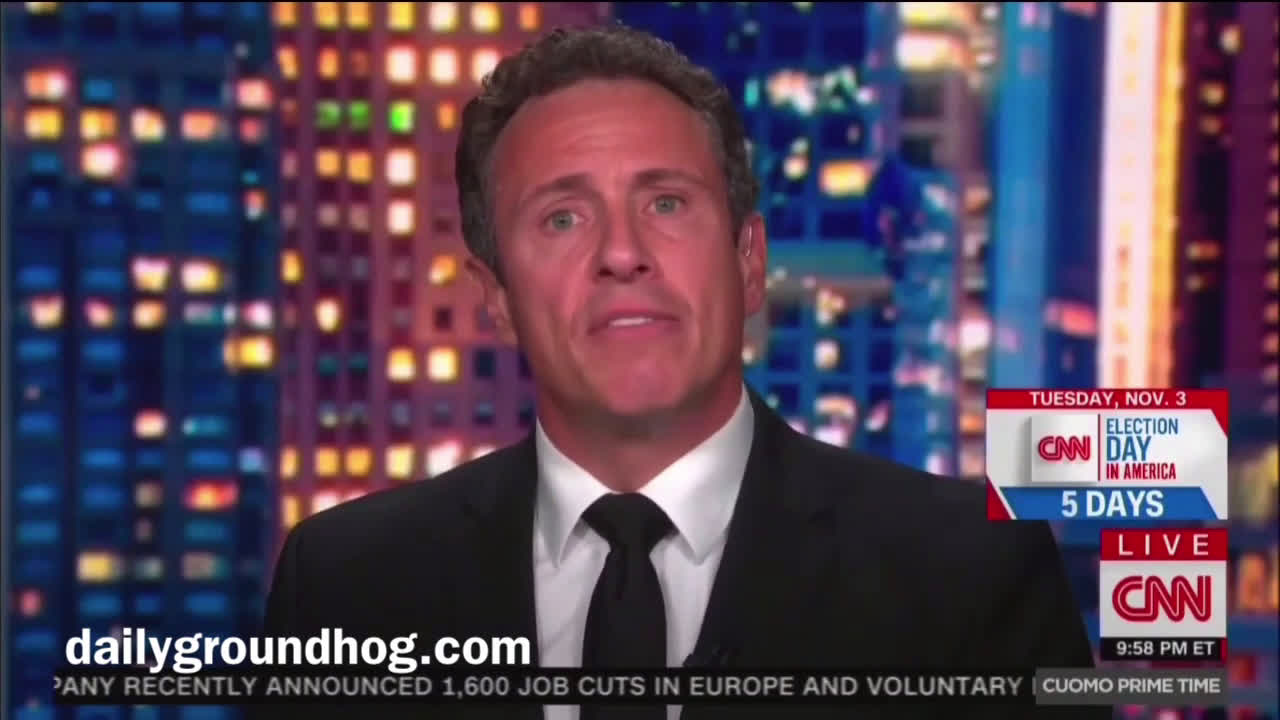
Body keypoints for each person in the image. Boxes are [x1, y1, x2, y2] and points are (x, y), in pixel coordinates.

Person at [262, 25, 1104, 720]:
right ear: (497, 297)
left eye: (666, 203)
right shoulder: (345, 587)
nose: (622, 253)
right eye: (562, 218)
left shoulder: (969, 575)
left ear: (748, 261)